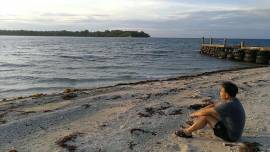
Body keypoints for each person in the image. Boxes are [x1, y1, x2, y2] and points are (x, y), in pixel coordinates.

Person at [175, 81, 246, 142]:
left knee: (206, 117)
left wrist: (193, 115)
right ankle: (196, 123)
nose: (220, 93)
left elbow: (207, 112)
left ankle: (187, 132)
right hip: (234, 132)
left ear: (227, 95)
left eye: (221, 91)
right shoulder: (233, 100)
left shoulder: (227, 105)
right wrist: (201, 111)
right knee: (208, 113)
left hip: (231, 137)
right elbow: (214, 105)